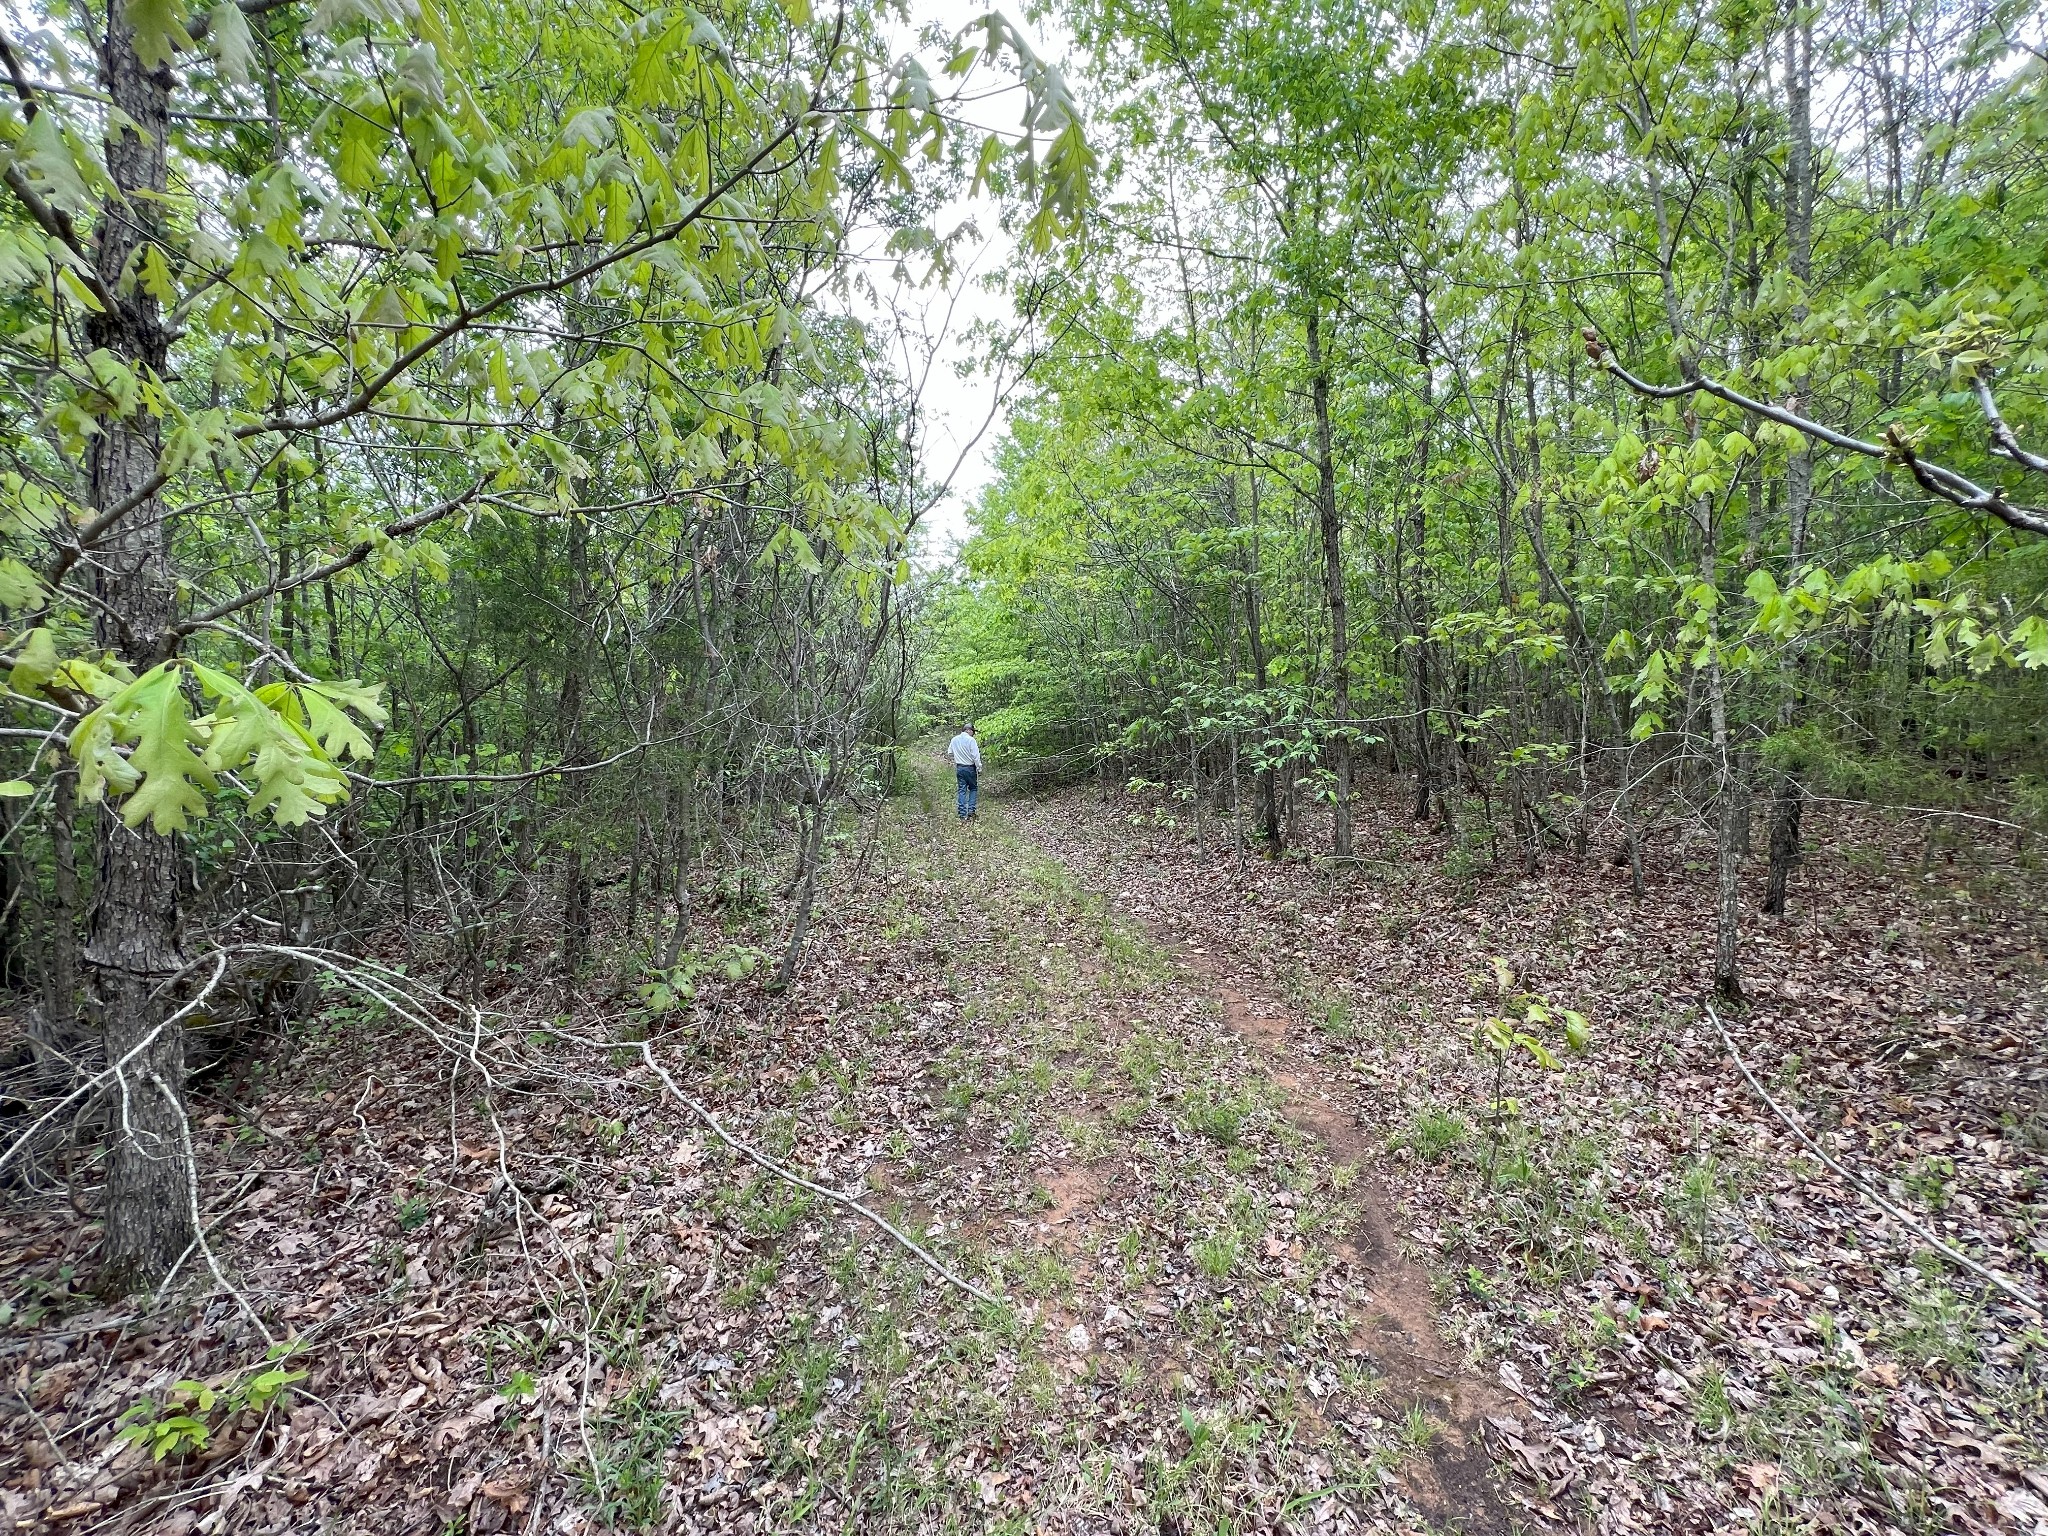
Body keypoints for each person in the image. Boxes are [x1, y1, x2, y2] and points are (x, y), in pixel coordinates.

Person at [945, 723, 982, 820]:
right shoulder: (971, 740)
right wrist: (979, 767)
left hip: (959, 768)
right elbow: (975, 756)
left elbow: (950, 752)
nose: (973, 734)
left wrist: (958, 757)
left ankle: (962, 814)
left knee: (962, 790)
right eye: (973, 732)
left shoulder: (954, 739)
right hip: (970, 768)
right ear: (969, 730)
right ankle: (971, 811)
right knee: (973, 788)